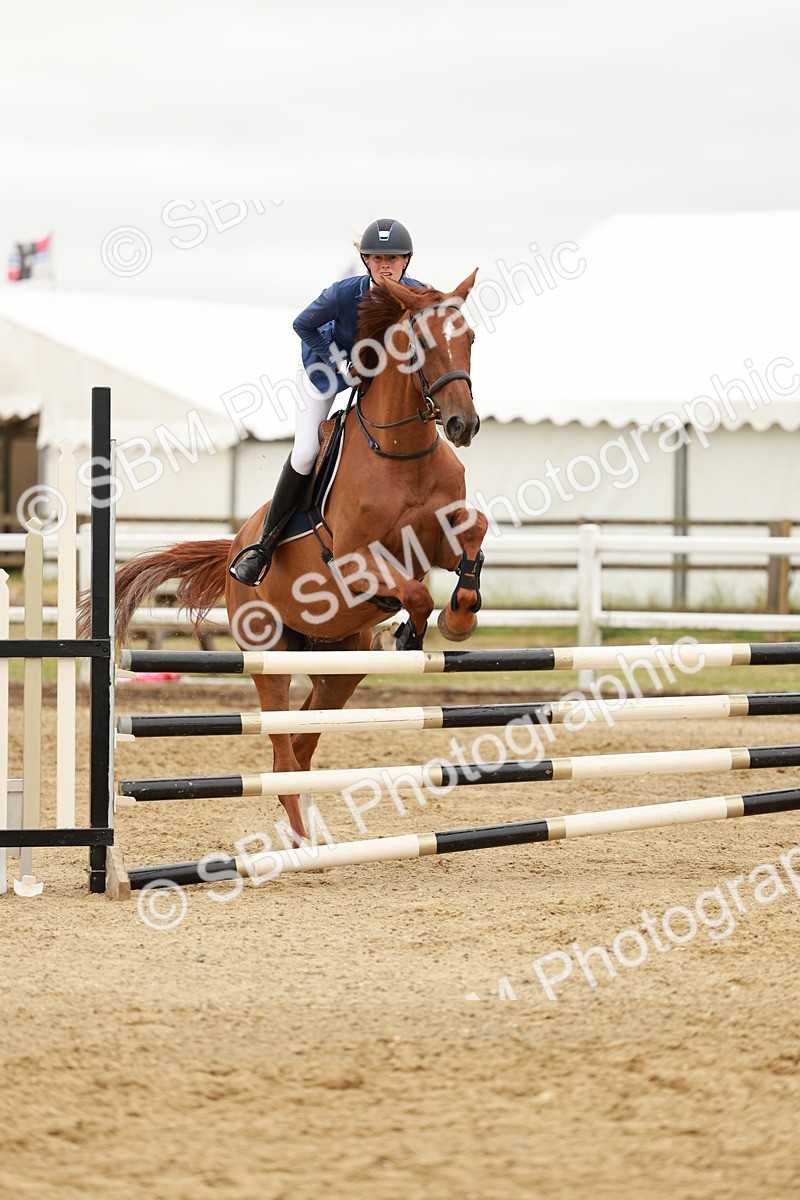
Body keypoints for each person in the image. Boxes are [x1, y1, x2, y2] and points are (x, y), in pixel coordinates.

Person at [230, 218, 425, 585]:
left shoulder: (418, 293)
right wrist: (338, 359)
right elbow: (302, 324)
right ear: (366, 260)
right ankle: (263, 547)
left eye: (394, 258)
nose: (386, 265)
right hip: (325, 372)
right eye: (378, 257)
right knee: (306, 451)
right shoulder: (342, 293)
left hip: (375, 379)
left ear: (406, 261)